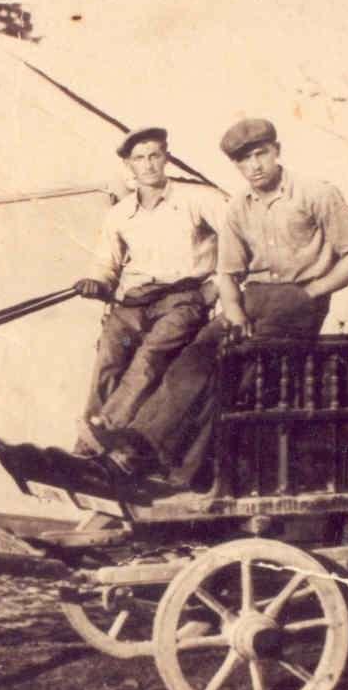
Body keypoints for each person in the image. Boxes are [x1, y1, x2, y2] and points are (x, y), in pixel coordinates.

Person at [104, 117, 348, 488]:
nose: (254, 166)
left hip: (299, 299)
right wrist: (233, 310)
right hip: (251, 298)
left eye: (261, 154)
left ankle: (171, 468)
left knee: (234, 368)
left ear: (277, 151)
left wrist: (311, 293)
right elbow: (228, 273)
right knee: (194, 356)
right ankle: (138, 448)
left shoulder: (316, 193)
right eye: (244, 161)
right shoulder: (237, 207)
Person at [71, 127, 230, 456]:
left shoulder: (199, 200)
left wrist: (216, 286)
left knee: (149, 357)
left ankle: (98, 439)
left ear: (166, 157)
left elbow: (239, 243)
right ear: (129, 166)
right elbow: (106, 263)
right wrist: (96, 282)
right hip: (134, 304)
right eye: (139, 158)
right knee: (109, 356)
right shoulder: (119, 214)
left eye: (154, 155)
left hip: (182, 301)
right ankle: (90, 447)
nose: (148, 165)